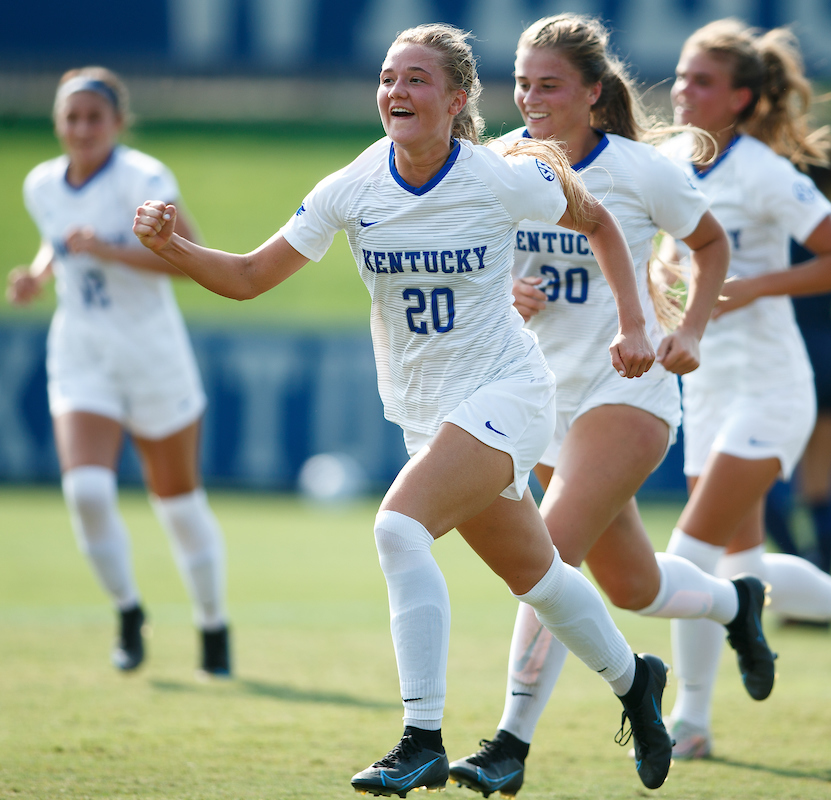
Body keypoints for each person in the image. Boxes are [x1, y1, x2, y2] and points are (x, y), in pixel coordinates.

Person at [131, 24, 676, 795]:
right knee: (540, 578)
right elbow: (252, 276)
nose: (397, 91)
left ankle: (420, 737)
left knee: (397, 526)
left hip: (510, 393)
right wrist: (177, 250)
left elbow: (599, 222)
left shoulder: (501, 177)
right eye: (389, 77)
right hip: (429, 412)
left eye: (418, 79)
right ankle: (636, 681)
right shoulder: (351, 186)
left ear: (457, 100)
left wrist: (633, 321)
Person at [446, 15, 778, 797]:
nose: (531, 98)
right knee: (630, 586)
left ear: (594, 93)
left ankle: (509, 744)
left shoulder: (641, 170)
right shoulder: (502, 163)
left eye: (549, 85)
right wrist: (506, 294)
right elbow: (480, 270)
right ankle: (737, 602)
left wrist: (687, 328)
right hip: (540, 396)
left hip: (629, 391)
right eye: (523, 83)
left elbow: (712, 246)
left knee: (547, 555)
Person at [655, 19, 831, 761]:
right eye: (679, 75)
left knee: (691, 550)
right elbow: (664, 259)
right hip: (703, 385)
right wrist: (665, 281)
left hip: (771, 386)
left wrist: (750, 285)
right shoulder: (669, 161)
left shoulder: (766, 172)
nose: (682, 90)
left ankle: (690, 720)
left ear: (740, 96)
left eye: (701, 80)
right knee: (744, 567)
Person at [6, 67, 231, 678]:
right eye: (71, 118)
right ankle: (129, 613)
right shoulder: (42, 184)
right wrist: (39, 273)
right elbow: (58, 239)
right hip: (81, 349)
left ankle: (213, 626)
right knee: (86, 490)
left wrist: (109, 249)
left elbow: (191, 258)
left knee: (178, 504)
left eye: (93, 118)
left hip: (152, 351)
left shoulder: (144, 178)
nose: (81, 129)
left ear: (118, 123)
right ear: (58, 124)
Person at [763, 146, 831, 578]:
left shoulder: (776, 227)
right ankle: (823, 588)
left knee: (755, 486)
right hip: (830, 356)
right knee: (820, 485)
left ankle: (804, 581)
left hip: (780, 358)